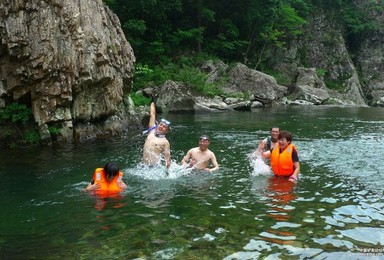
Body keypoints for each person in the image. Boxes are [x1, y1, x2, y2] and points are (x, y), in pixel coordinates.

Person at [142, 95, 171, 169]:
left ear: (167, 131)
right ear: (157, 125)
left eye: (164, 127)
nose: (161, 127)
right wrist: (152, 101)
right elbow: (152, 114)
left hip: (154, 168)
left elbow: (167, 159)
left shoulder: (165, 142)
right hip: (143, 166)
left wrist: (167, 171)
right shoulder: (152, 130)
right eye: (160, 125)